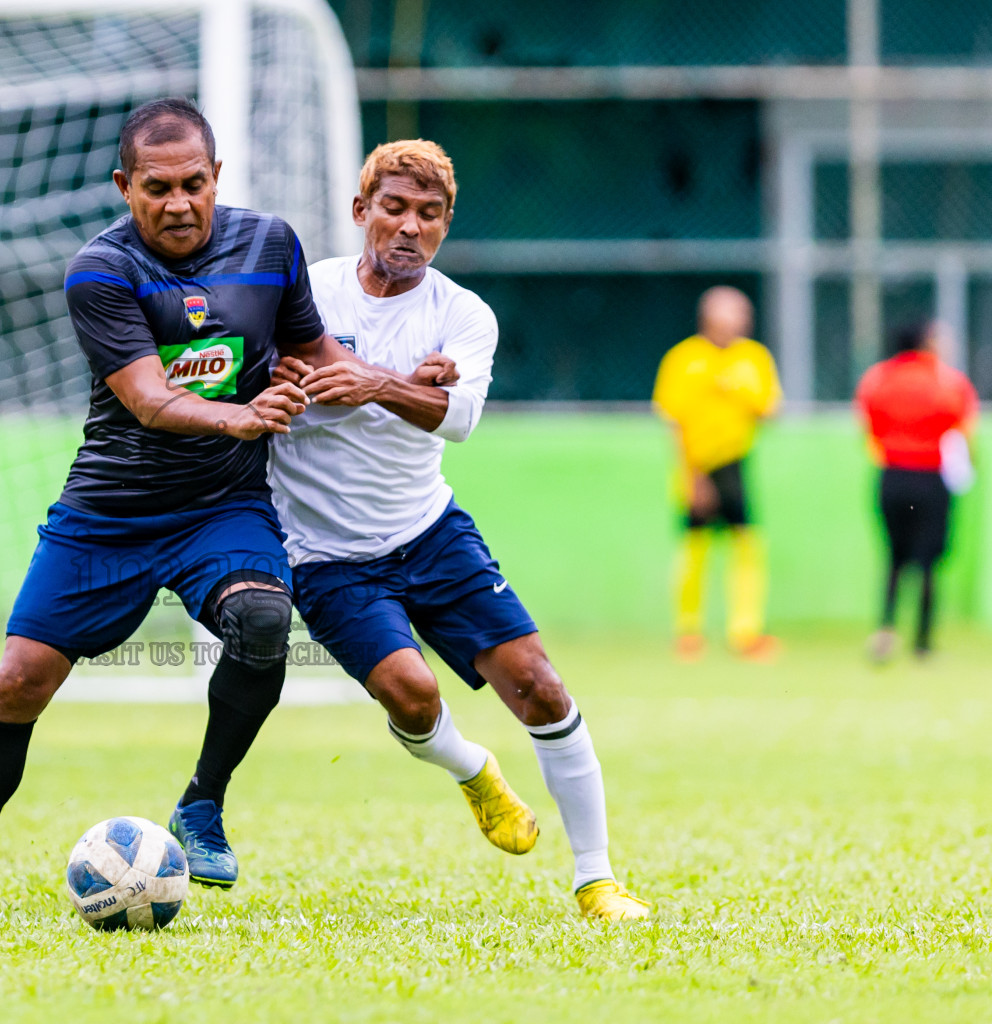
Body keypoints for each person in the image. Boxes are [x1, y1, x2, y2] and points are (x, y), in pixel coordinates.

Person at [0, 99, 426, 916]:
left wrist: (396, 382)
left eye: (193, 184)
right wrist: (245, 415)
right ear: (124, 186)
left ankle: (203, 802)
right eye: (156, 188)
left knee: (261, 621)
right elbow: (147, 399)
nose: (177, 203)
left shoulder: (271, 246)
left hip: (221, 505)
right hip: (110, 510)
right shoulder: (101, 271)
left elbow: (315, 354)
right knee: (17, 685)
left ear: (217, 178)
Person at [268, 140, 651, 920]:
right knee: (410, 696)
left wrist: (376, 381)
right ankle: (472, 769)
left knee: (540, 685)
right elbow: (268, 370)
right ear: (360, 212)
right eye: (395, 208)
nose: (410, 227)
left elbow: (462, 419)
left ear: (445, 226)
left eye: (429, 214)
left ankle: (596, 878)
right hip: (326, 555)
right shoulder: (305, 294)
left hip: (429, 530)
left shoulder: (462, 313)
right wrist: (300, 375)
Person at [651, 286, 781, 661]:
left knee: (746, 546)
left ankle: (745, 631)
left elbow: (770, 408)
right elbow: (673, 420)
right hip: (697, 464)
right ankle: (688, 632)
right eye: (733, 312)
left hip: (736, 461)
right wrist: (692, 476)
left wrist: (738, 391)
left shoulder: (753, 357)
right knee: (694, 548)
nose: (741, 320)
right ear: (710, 316)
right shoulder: (683, 358)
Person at [856, 321, 978, 661]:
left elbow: (868, 427)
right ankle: (923, 642)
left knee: (894, 557)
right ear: (927, 342)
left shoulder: (878, 378)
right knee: (928, 562)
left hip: (892, 475)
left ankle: (885, 631)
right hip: (930, 478)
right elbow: (963, 428)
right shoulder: (946, 380)